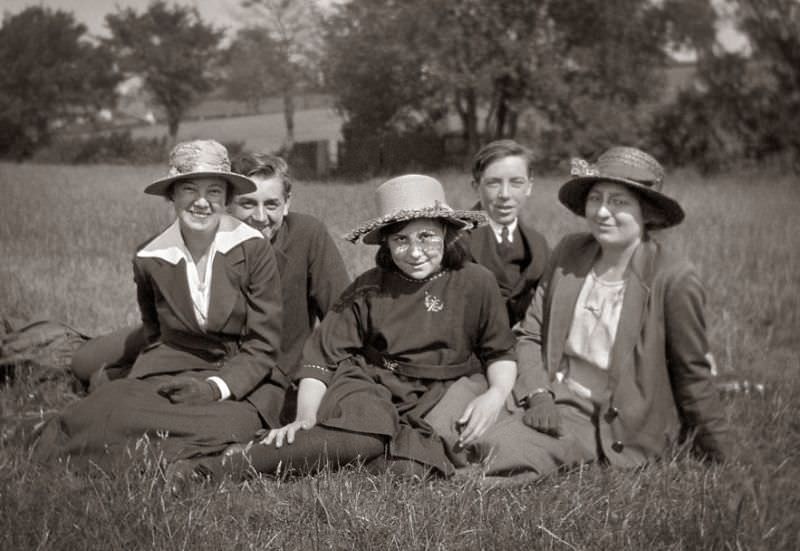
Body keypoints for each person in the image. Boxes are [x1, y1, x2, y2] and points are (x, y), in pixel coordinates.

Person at [178, 174, 518, 481]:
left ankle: (275, 453)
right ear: (386, 242)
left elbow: (499, 351)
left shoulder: (477, 282)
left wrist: (495, 394)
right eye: (401, 239)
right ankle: (213, 470)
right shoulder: (369, 287)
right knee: (366, 434)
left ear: (447, 232)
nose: (415, 252)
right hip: (371, 384)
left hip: (441, 392)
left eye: (427, 236)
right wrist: (307, 417)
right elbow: (321, 357)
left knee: (410, 469)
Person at [427, 146, 733, 478]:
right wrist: (537, 391)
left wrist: (721, 456)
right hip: (544, 385)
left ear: (646, 212)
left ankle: (468, 462)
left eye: (619, 202)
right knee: (448, 413)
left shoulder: (673, 277)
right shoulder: (571, 251)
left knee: (496, 449)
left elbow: (693, 374)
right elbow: (530, 333)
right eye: (596, 199)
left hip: (599, 413)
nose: (602, 212)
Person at [33, 140, 285, 467]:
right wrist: (168, 374)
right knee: (109, 409)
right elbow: (155, 331)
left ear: (227, 198)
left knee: (229, 424)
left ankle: (180, 456)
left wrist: (214, 388)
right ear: (172, 196)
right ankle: (49, 433)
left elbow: (264, 344)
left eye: (214, 192)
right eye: (189, 190)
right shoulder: (149, 256)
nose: (201, 202)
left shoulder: (253, 249)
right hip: (171, 368)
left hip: (240, 377)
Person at [70, 152, 350, 421]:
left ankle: (116, 381)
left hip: (258, 352)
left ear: (287, 203)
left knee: (117, 384)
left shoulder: (307, 235)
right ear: (229, 204)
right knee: (82, 361)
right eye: (248, 204)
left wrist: (313, 375)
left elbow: (342, 316)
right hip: (187, 335)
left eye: (272, 204)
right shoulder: (220, 234)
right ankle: (103, 362)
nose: (260, 217)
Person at [464, 140, 549, 326]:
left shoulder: (539, 244)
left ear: (529, 187)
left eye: (516, 183)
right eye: (493, 183)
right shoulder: (455, 239)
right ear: (476, 187)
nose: (505, 194)